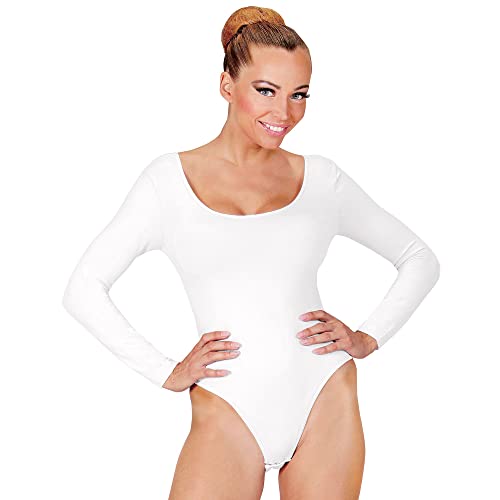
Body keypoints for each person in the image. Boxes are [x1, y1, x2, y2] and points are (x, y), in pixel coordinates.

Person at [62, 6, 440, 500]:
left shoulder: (322, 180)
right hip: (227, 404)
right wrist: (164, 371)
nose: (284, 113)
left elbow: (418, 258)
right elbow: (83, 289)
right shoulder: (167, 182)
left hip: (323, 393)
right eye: (266, 90)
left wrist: (368, 337)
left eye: (299, 94)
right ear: (227, 85)